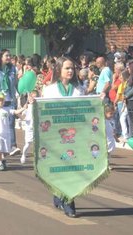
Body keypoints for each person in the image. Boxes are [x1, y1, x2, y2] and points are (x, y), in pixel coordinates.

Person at [42, 56, 82, 218]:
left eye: (72, 68)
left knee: (71, 169)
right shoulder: (50, 90)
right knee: (60, 169)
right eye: (67, 68)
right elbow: (44, 112)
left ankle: (68, 200)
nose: (70, 71)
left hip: (74, 137)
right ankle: (60, 194)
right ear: (58, 70)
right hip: (55, 137)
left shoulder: (78, 90)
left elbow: (84, 111)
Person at [20, 90, 38, 164]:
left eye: (34, 97)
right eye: (31, 97)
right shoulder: (27, 107)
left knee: (37, 144)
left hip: (37, 128)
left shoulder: (38, 106)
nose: (32, 99)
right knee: (28, 144)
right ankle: (24, 155)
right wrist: (23, 110)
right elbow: (22, 116)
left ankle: (37, 158)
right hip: (29, 128)